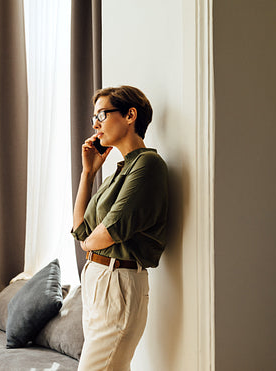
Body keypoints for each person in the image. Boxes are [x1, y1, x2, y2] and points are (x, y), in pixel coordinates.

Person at [71, 86, 168, 370]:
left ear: (130, 115)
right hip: (98, 277)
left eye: (102, 114)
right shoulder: (119, 170)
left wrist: (88, 243)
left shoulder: (148, 163)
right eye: (93, 118)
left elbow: (112, 229)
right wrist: (87, 173)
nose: (96, 124)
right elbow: (81, 229)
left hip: (119, 279)